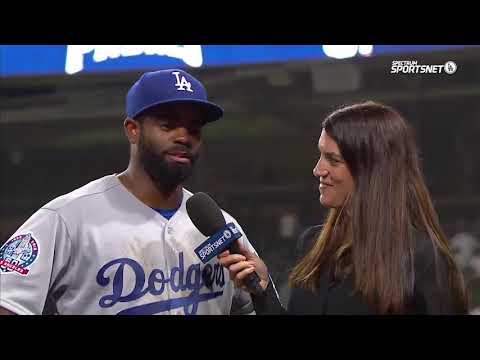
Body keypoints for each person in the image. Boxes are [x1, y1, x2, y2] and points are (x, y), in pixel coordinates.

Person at [0, 69, 257, 315]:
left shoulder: (222, 228)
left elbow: (252, 307)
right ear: (133, 129)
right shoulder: (67, 219)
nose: (184, 137)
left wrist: (263, 294)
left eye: (194, 129)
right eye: (168, 125)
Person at [219, 101, 469, 314]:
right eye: (320, 155)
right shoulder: (312, 245)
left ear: (373, 171)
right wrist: (263, 291)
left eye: (333, 160)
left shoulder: (423, 259)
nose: (318, 170)